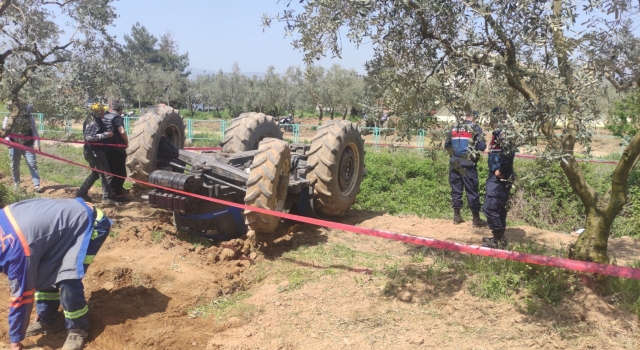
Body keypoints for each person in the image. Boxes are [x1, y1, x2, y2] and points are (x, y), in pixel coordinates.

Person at [0, 198, 111, 350]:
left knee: (67, 277)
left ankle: (78, 329)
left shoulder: (17, 253)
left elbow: (22, 298)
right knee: (41, 273)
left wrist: (15, 341)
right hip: (60, 231)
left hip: (90, 224)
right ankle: (49, 319)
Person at [444, 111, 487, 226]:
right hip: (468, 162)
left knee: (456, 189)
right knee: (472, 189)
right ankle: (476, 219)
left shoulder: (453, 128)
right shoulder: (475, 128)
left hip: (454, 162)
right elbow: (482, 147)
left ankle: (456, 217)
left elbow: (446, 146)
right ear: (474, 118)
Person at [482, 108, 517, 248]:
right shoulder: (501, 132)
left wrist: (501, 169)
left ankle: (498, 239)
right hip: (500, 176)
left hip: (499, 177)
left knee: (490, 208)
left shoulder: (501, 132)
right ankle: (499, 238)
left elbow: (509, 152)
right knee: (498, 208)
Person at [75, 103, 116, 205]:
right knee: (106, 174)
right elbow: (89, 137)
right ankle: (107, 198)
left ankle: (82, 192)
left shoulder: (94, 120)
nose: (104, 112)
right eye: (102, 111)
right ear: (98, 112)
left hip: (93, 150)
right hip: (94, 151)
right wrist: (106, 134)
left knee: (96, 173)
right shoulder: (93, 121)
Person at [3, 103, 44, 193]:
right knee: (15, 166)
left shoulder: (29, 118)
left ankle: (37, 185)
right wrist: (7, 141)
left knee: (32, 164)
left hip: (27, 145)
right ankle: (16, 185)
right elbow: (5, 132)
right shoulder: (8, 117)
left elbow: (34, 131)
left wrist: (37, 144)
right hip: (14, 145)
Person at [102, 101, 130, 203]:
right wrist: (126, 141)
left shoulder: (104, 116)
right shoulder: (117, 118)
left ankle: (112, 193)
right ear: (120, 110)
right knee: (120, 173)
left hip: (105, 149)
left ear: (110, 108)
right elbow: (121, 131)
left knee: (111, 173)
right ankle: (119, 196)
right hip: (117, 149)